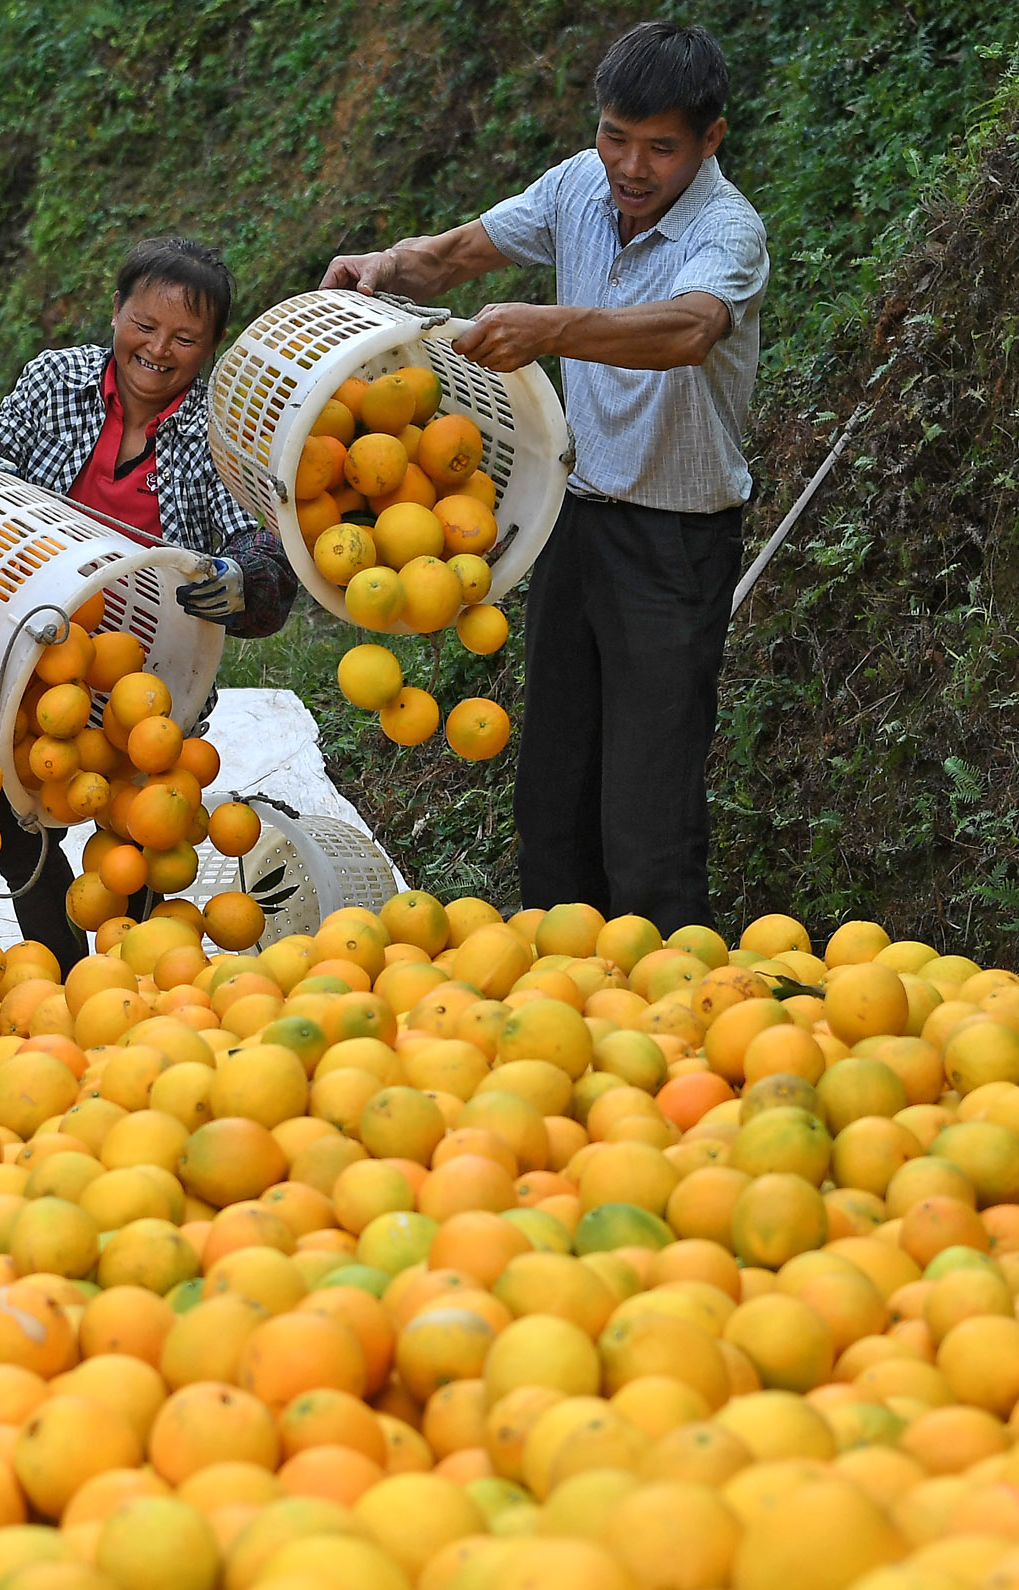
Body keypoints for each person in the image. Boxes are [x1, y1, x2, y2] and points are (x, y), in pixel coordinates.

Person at [321, 22, 765, 933]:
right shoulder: (577, 185)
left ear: (710, 141)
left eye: (660, 147)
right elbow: (457, 254)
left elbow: (687, 331)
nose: (631, 166)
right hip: (575, 522)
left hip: (674, 545)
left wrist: (554, 326)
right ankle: (561, 999)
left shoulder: (728, 231)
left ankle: (671, 1009)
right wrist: (385, 265)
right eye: (614, 135)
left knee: (648, 812)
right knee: (553, 795)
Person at [0, 235, 296, 964]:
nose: (159, 349)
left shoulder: (219, 433)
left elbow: (263, 553)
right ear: (115, 312)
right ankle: (66, 979)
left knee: (137, 852)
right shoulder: (55, 381)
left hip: (150, 684)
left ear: (210, 349)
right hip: (34, 656)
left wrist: (240, 579)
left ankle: (130, 986)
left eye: (185, 338)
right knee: (17, 825)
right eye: (144, 324)